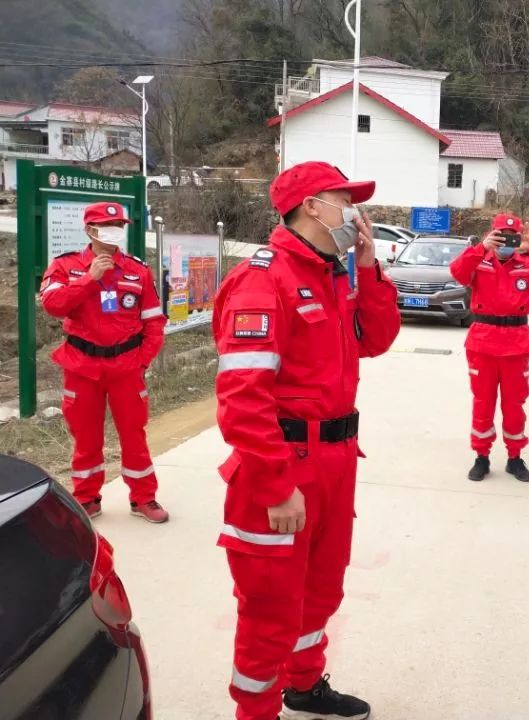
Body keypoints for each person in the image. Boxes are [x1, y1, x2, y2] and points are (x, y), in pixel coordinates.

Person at [213, 161, 400, 720]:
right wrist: (276, 485)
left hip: (335, 461)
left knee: (321, 590)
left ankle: (304, 684)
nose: (356, 213)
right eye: (346, 200)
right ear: (312, 207)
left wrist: (368, 268)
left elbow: (377, 339)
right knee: (270, 607)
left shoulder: (333, 273)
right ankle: (256, 712)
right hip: (282, 464)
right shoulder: (263, 279)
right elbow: (243, 398)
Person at [40, 201, 168, 523]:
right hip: (81, 367)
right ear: (89, 230)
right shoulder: (65, 266)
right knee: (86, 438)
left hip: (126, 367)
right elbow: (53, 305)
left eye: (119, 227)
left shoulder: (138, 270)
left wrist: (142, 362)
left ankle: (143, 498)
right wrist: (89, 278)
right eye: (107, 227)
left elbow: (154, 322)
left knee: (134, 435)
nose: (114, 233)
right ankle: (87, 498)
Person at [449, 212, 529, 482]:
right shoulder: (479, 260)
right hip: (483, 343)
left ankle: (514, 458)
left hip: (516, 344)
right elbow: (457, 272)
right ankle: (481, 456)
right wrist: (481, 248)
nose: (506, 241)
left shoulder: (527, 263)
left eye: (513, 236)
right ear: (492, 233)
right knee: (483, 403)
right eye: (501, 235)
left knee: (514, 405)